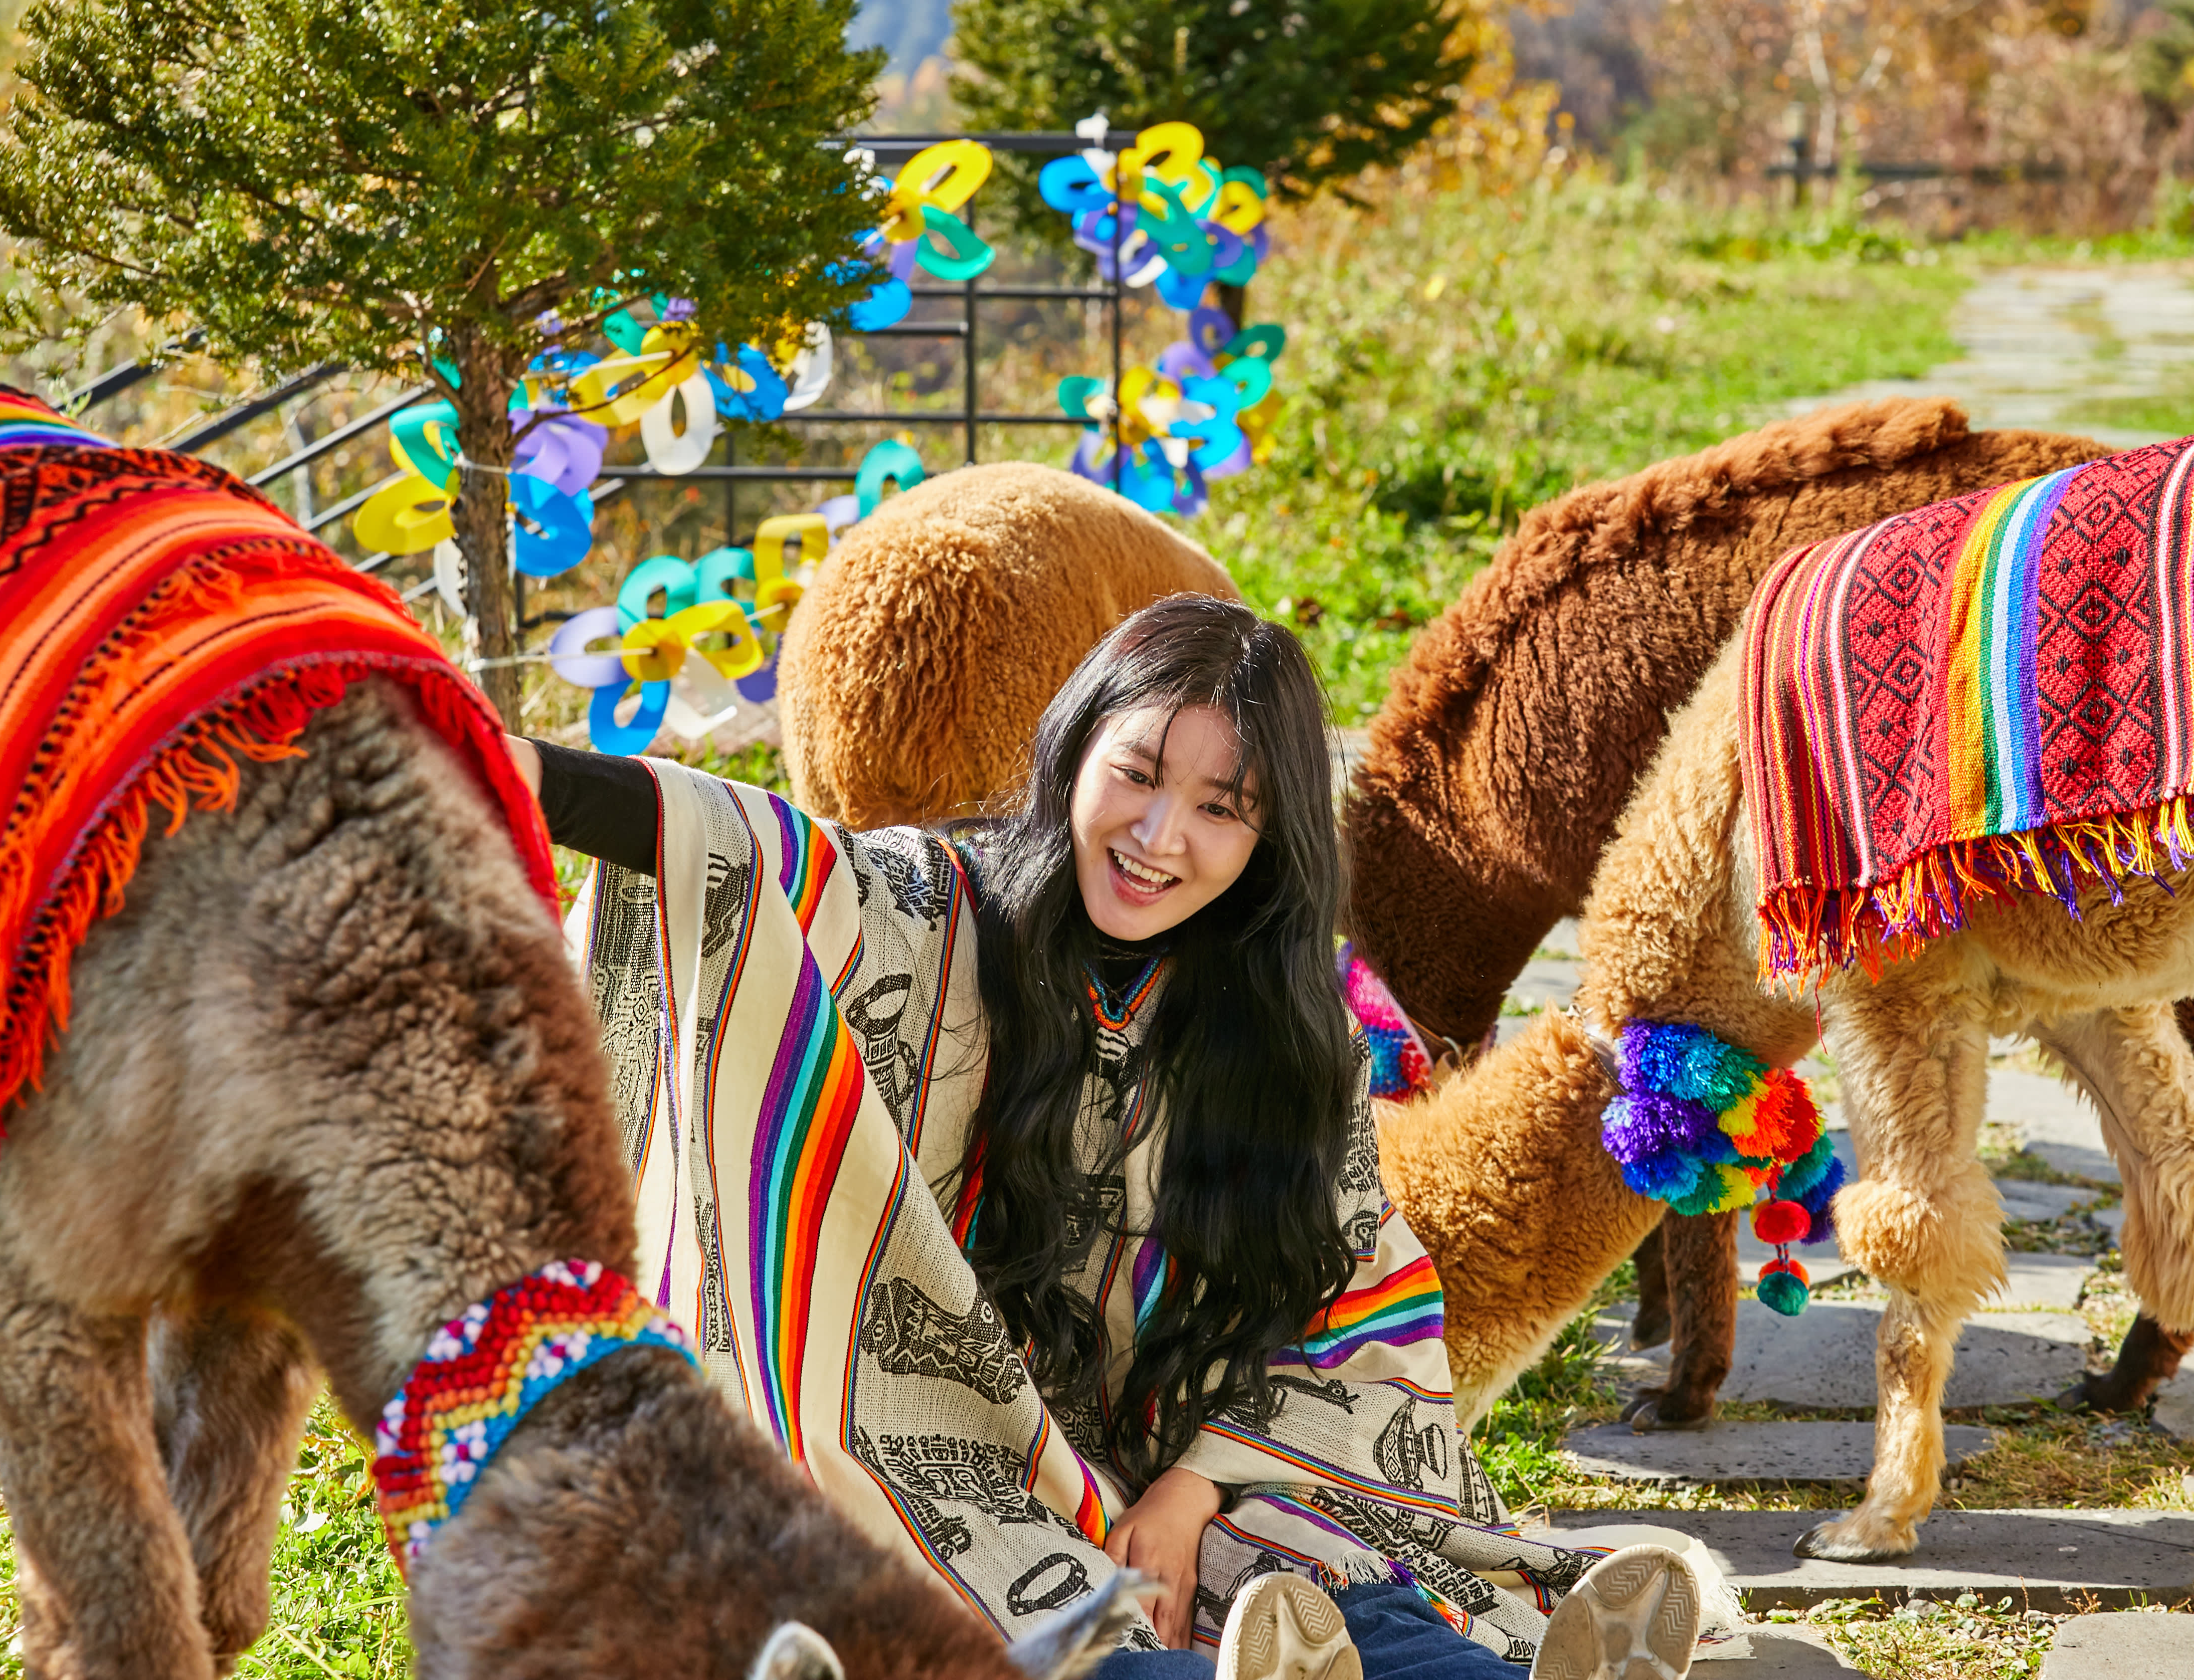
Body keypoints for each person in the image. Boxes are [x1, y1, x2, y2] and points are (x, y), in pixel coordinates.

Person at [512, 596, 1732, 1680]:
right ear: (1075, 747)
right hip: (967, 1434)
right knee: (1012, 1587)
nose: (1160, 834)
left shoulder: (1293, 1035)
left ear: (1268, 840)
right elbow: (760, 857)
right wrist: (512, 763)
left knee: (1316, 1557)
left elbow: (1350, 1299)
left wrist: (1199, 1482)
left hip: (1195, 1434)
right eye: (1137, 772)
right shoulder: (941, 907)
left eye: (1219, 808)